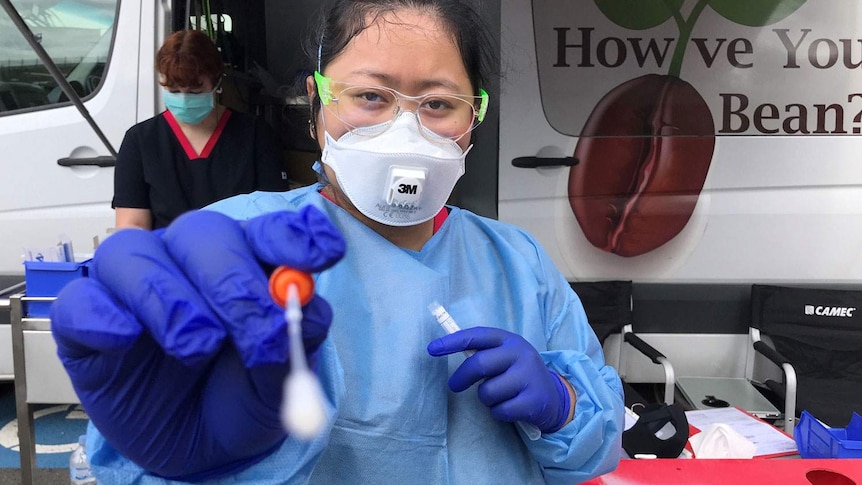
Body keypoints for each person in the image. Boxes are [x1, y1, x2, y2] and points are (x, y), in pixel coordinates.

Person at [50, 1, 624, 484]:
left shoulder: (517, 262)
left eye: (439, 104)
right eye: (370, 97)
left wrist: (563, 405)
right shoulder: (239, 246)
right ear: (317, 100)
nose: (405, 129)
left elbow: (597, 450)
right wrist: (176, 461)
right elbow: (127, 447)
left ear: (473, 116)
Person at [112, 29, 290, 230]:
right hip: (167, 258)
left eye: (195, 92)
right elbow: (132, 227)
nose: (184, 99)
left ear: (217, 82)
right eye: (174, 91)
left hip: (240, 255)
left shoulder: (256, 135)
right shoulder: (140, 142)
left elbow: (274, 217)